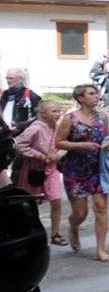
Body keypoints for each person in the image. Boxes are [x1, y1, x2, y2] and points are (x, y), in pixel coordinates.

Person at [55, 83, 109, 261]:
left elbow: (108, 138)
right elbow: (59, 142)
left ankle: (100, 250)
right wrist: (81, 145)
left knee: (101, 208)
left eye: (96, 93)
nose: (96, 96)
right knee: (80, 213)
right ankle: (73, 226)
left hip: (98, 169)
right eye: (91, 93)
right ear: (81, 98)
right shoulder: (70, 119)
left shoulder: (102, 117)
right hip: (74, 171)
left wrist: (108, 144)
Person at [15, 100, 66, 247]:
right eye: (54, 111)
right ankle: (32, 234)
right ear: (43, 114)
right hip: (33, 169)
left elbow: (64, 144)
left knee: (56, 200)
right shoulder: (35, 128)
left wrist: (58, 155)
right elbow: (19, 144)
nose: (57, 114)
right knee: (32, 203)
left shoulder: (58, 128)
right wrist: (39, 155)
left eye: (58, 111)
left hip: (52, 169)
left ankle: (55, 234)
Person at [1, 67, 41, 133]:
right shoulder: (5, 94)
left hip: (22, 134)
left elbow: (39, 117)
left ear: (20, 79)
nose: (8, 81)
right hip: (4, 133)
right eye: (7, 78)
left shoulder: (31, 96)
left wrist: (20, 126)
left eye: (10, 78)